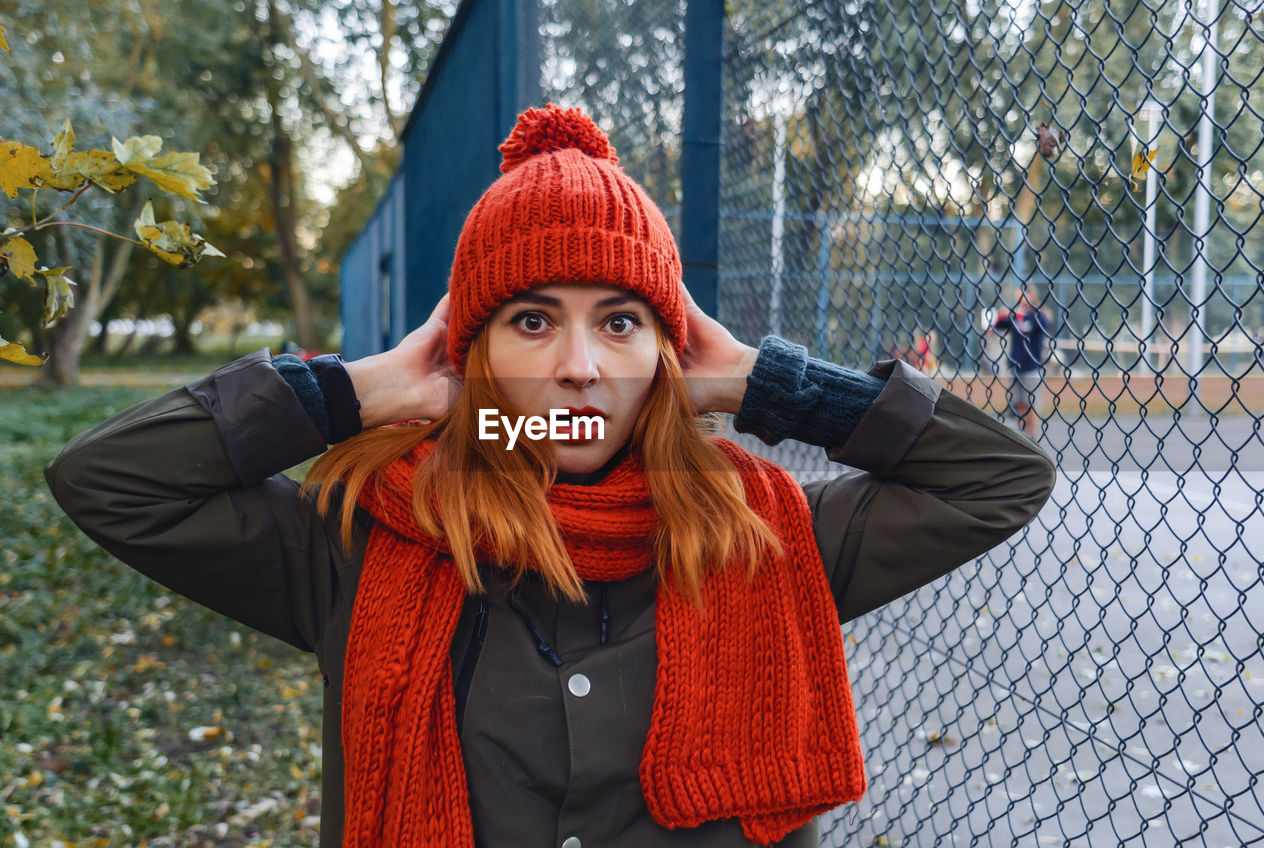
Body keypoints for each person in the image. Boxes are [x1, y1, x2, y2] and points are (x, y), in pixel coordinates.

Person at [45, 104, 1057, 848]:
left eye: (619, 320)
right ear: (473, 350)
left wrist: (769, 384)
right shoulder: (355, 540)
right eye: (532, 319)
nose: (579, 364)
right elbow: (111, 480)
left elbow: (997, 477)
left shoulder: (767, 535)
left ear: (663, 349)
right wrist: (352, 393)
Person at [989, 286, 1055, 438]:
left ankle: (1032, 436)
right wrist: (1001, 314)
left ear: (1032, 296)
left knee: (1030, 404)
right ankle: (1024, 436)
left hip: (1031, 366)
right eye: (1018, 295)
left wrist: (1019, 315)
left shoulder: (1038, 315)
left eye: (1023, 295)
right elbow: (997, 326)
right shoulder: (1015, 315)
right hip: (1015, 366)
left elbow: (1037, 325)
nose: (1020, 299)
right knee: (1019, 403)